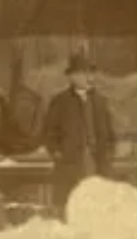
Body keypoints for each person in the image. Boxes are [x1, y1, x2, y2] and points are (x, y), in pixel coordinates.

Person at [39, 52, 116, 217]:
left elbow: (110, 131)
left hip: (97, 159)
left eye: (90, 73)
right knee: (70, 201)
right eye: (82, 73)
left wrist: (109, 152)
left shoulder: (101, 101)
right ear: (71, 77)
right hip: (71, 160)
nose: (87, 77)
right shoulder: (60, 101)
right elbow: (48, 132)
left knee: (98, 200)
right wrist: (57, 153)